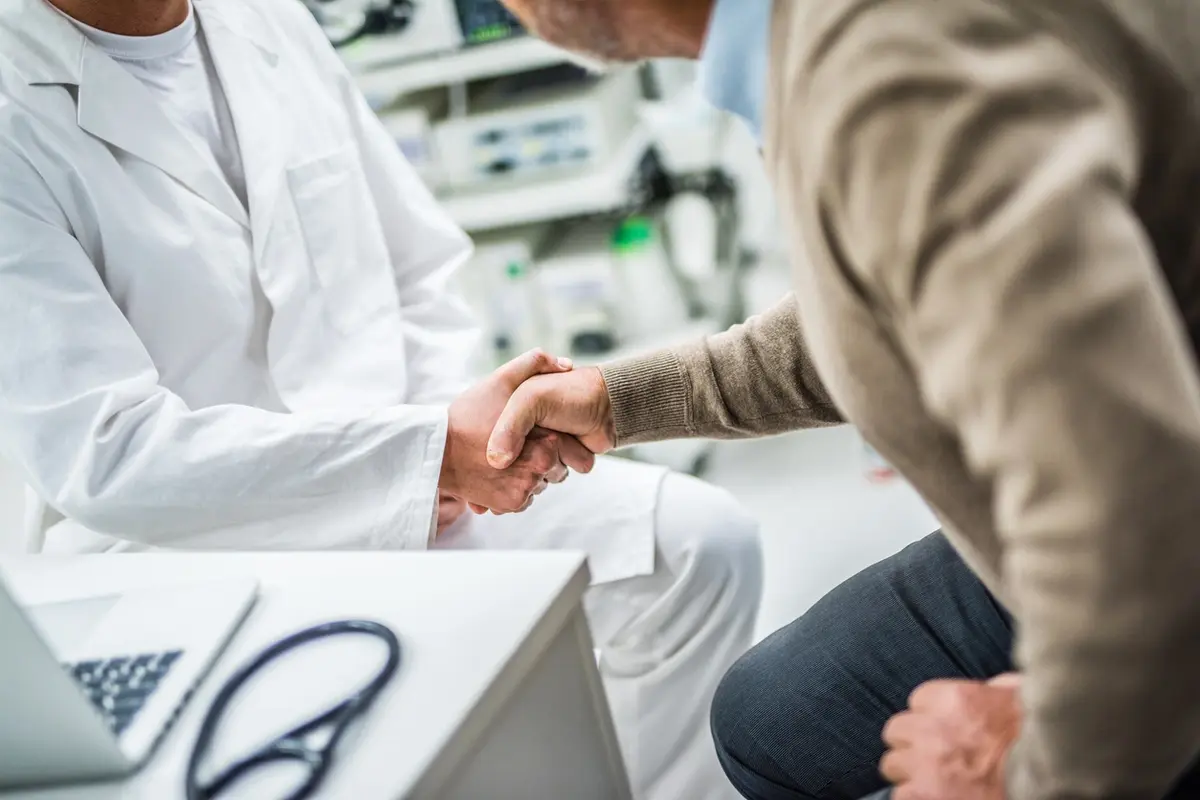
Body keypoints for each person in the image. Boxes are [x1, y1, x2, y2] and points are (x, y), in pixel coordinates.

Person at [0, 1, 764, 797]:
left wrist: (449, 452)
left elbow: (421, 266)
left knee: (697, 546)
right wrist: (419, 457)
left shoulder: (261, 17)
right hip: (186, 546)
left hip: (412, 469)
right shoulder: (14, 112)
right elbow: (109, 453)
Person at [489, 0, 1200, 798]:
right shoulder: (833, 41)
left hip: (1160, 572)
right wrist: (624, 400)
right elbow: (895, 299)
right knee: (772, 717)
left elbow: (1132, 518)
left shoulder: (888, 76)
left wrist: (1031, 770)